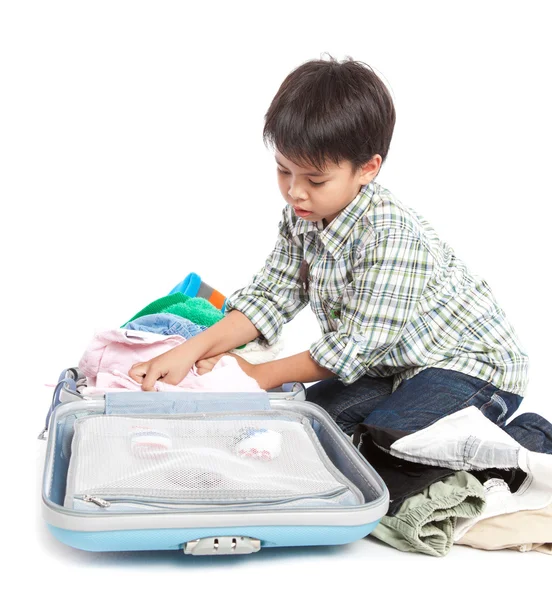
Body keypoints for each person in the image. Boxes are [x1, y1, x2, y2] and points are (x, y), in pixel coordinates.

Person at [129, 55, 539, 442]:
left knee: (386, 445)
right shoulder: (301, 217)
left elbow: (354, 346)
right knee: (305, 424)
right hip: (390, 367)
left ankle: (530, 440)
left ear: (367, 169)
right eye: (283, 170)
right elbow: (270, 297)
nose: (295, 191)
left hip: (468, 367)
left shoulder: (391, 235)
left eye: (315, 180)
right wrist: (189, 350)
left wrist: (257, 374)